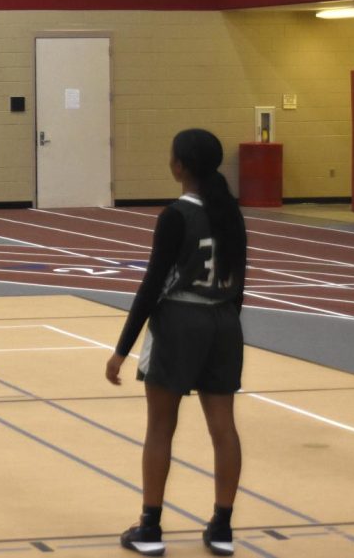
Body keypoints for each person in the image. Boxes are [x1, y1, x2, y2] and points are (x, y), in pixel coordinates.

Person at [104, 129, 247, 557]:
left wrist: (121, 348)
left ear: (180, 166)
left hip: (180, 322)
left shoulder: (175, 215)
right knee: (223, 427)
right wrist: (224, 324)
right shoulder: (231, 212)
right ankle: (222, 527)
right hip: (223, 321)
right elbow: (240, 282)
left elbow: (151, 286)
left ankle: (150, 527)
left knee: (161, 427)